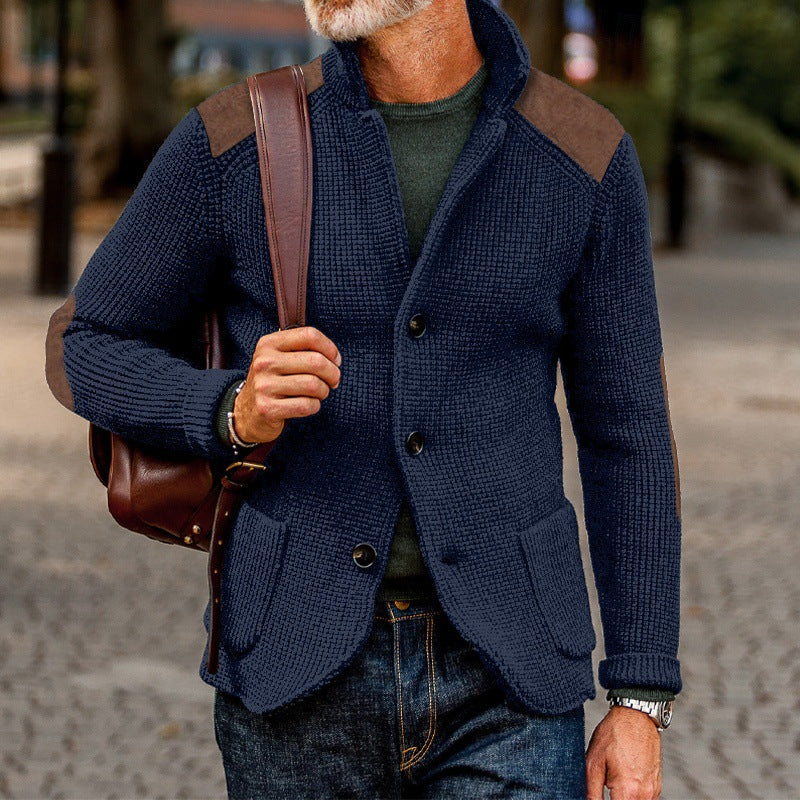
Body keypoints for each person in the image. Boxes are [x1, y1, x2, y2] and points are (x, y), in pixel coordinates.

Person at [45, 0, 683, 794]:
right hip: (294, 669)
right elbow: (85, 341)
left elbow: (628, 430)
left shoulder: (582, 150)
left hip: (513, 675)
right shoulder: (236, 138)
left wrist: (640, 691)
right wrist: (228, 409)